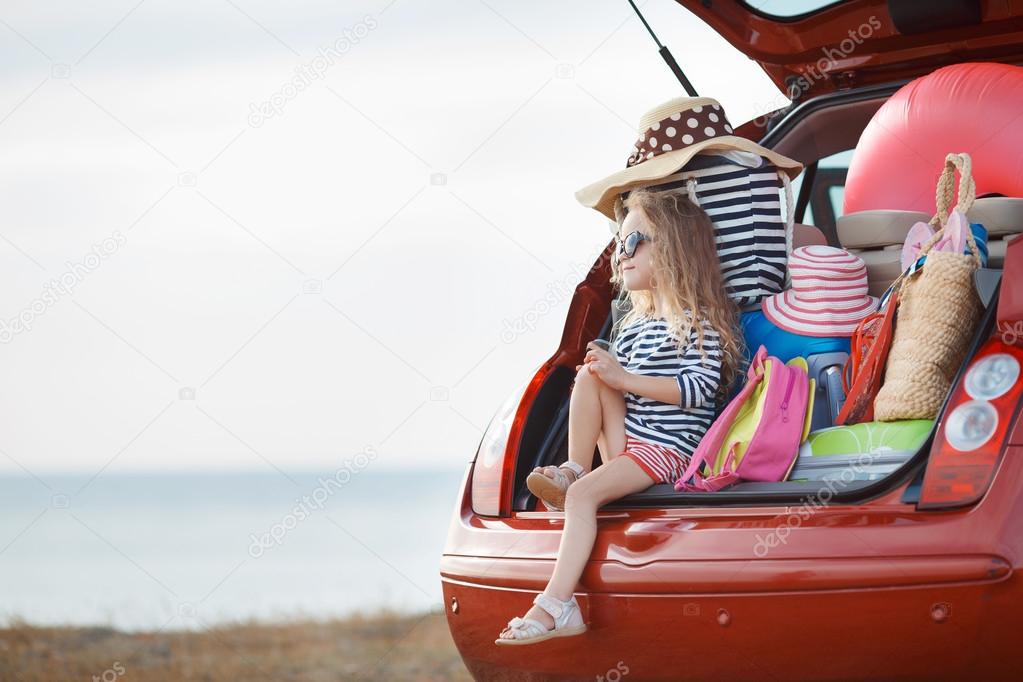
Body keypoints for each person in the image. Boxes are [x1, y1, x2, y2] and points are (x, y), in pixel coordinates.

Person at [495, 187, 742, 645]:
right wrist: (609, 375)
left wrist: (624, 379)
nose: (621, 256)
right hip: (632, 442)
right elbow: (615, 389)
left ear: (673, 251)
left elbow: (696, 390)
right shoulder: (633, 326)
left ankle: (555, 606)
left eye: (633, 243)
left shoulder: (698, 323)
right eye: (618, 244)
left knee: (583, 499)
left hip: (667, 450)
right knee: (588, 377)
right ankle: (574, 467)